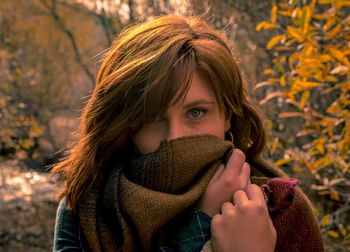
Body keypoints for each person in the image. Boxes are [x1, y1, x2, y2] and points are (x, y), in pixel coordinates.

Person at [52, 15, 324, 252]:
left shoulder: (281, 207)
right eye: (151, 118)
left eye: (196, 113)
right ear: (126, 124)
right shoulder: (88, 208)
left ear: (227, 115)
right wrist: (199, 227)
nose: (174, 137)